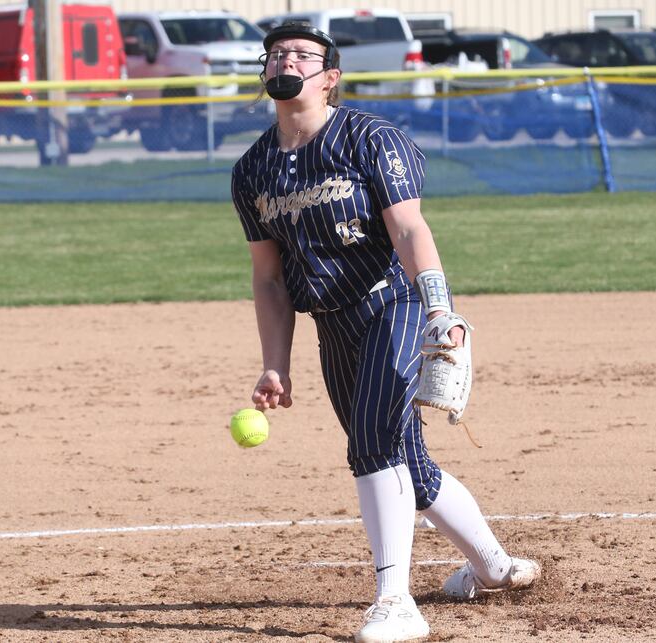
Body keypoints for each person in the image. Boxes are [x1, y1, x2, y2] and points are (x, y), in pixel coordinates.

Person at [231, 22, 541, 643]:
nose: (285, 60)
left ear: (330, 77)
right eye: (276, 53)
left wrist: (439, 310)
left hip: (392, 305)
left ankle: (395, 602)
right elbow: (270, 280)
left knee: (373, 444)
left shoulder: (371, 139)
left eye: (302, 54)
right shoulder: (253, 170)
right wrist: (275, 363)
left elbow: (408, 230)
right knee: (408, 465)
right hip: (333, 326)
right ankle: (493, 567)